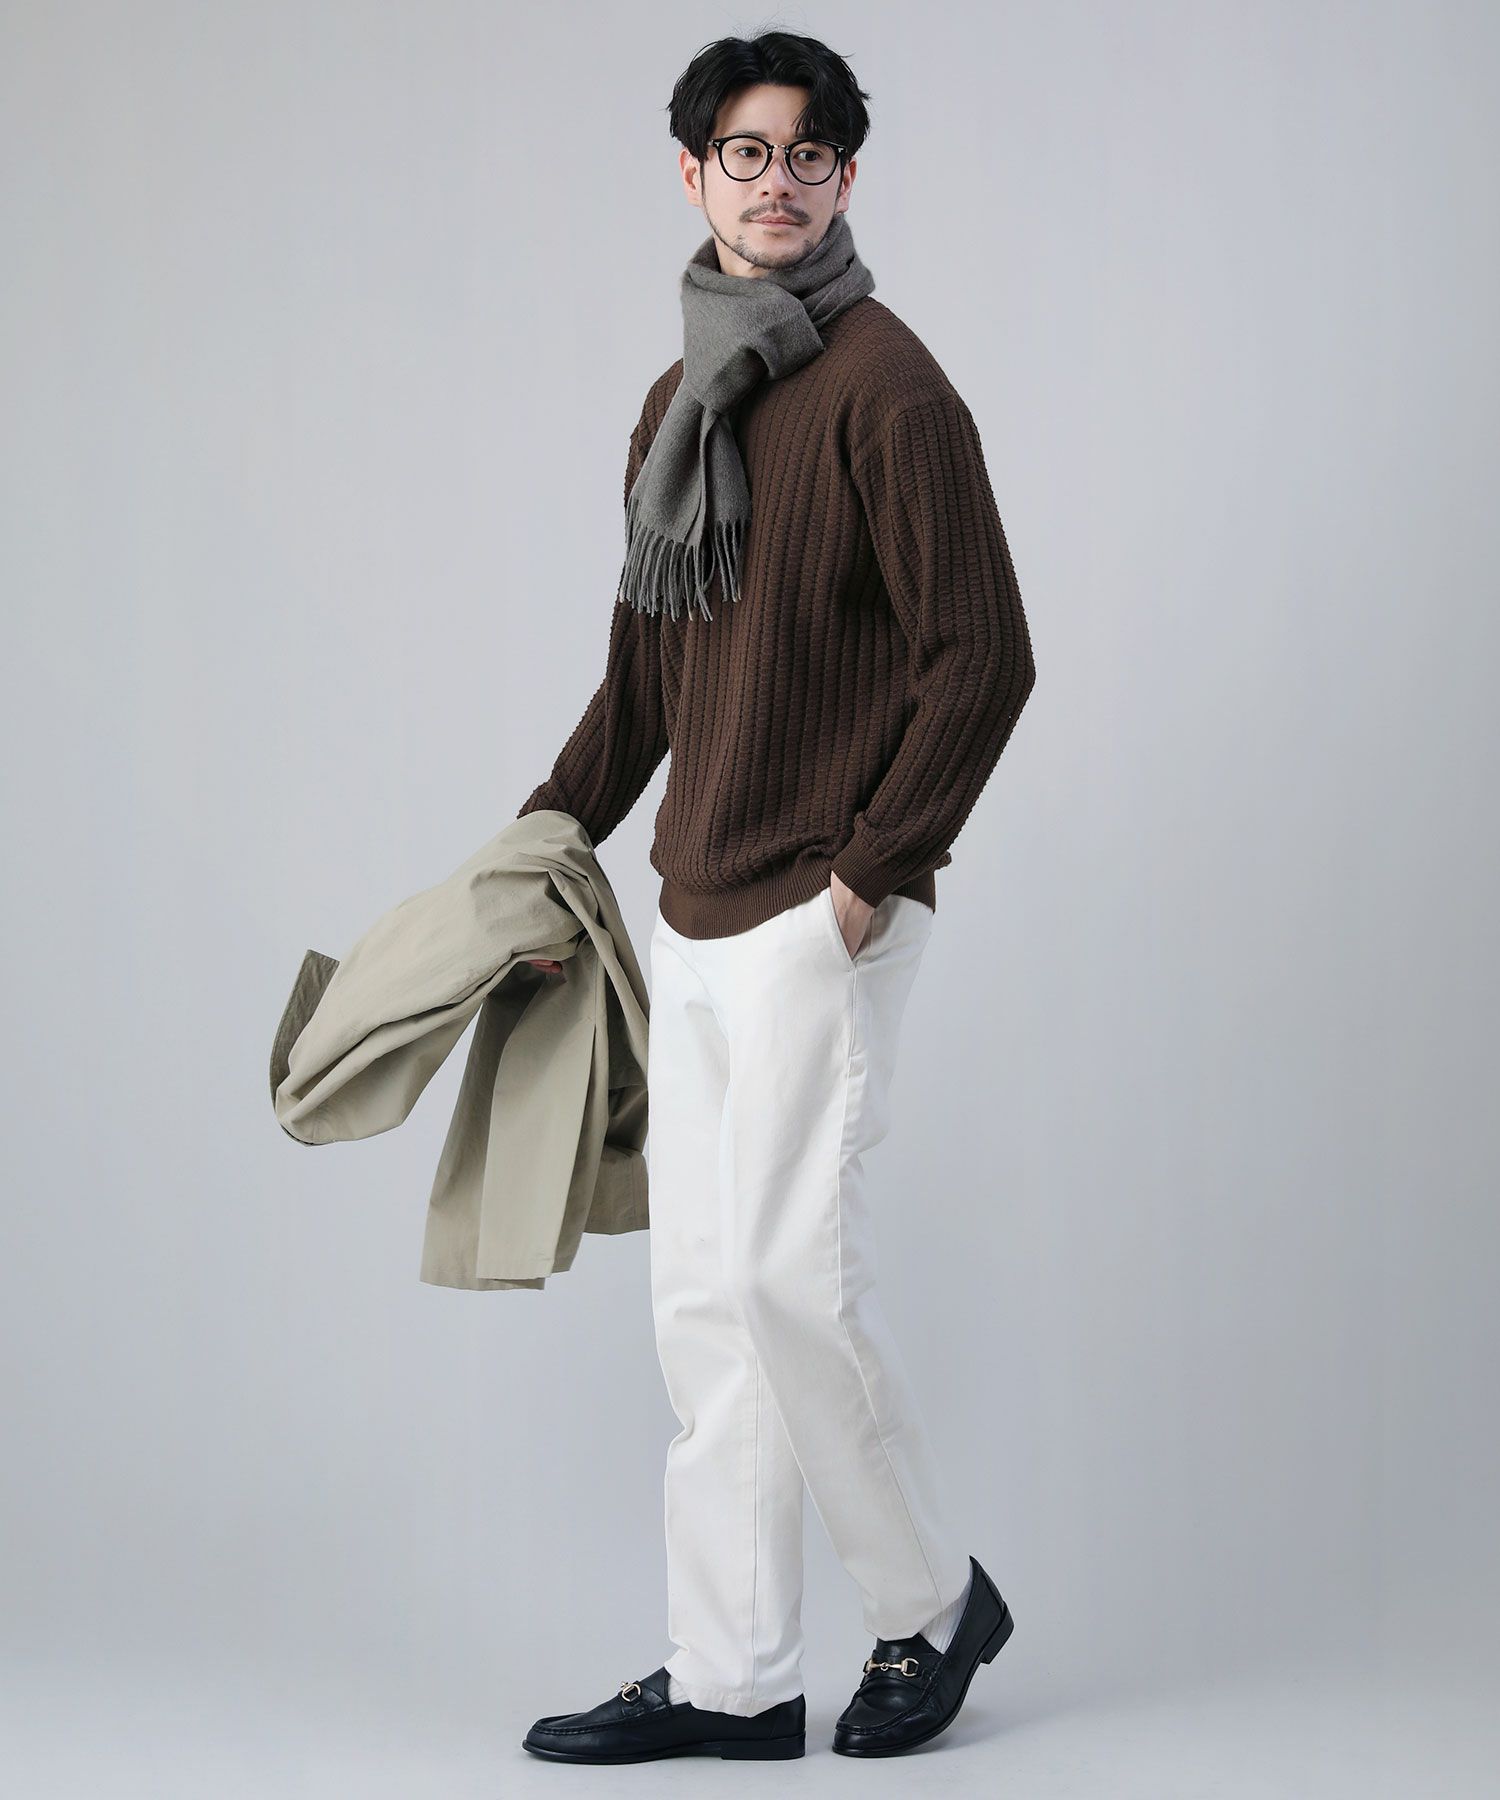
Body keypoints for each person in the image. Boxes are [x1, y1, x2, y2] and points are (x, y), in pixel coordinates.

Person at [516, 28, 1035, 1764]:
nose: (777, 183)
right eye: (746, 152)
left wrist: (867, 882)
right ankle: (733, 1678)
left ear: (845, 179)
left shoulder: (892, 389)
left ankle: (934, 1607)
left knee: (791, 1287)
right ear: (693, 174)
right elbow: (646, 684)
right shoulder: (683, 403)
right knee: (704, 1306)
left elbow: (984, 657)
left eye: (810, 156)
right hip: (694, 907)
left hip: (822, 909)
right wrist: (544, 850)